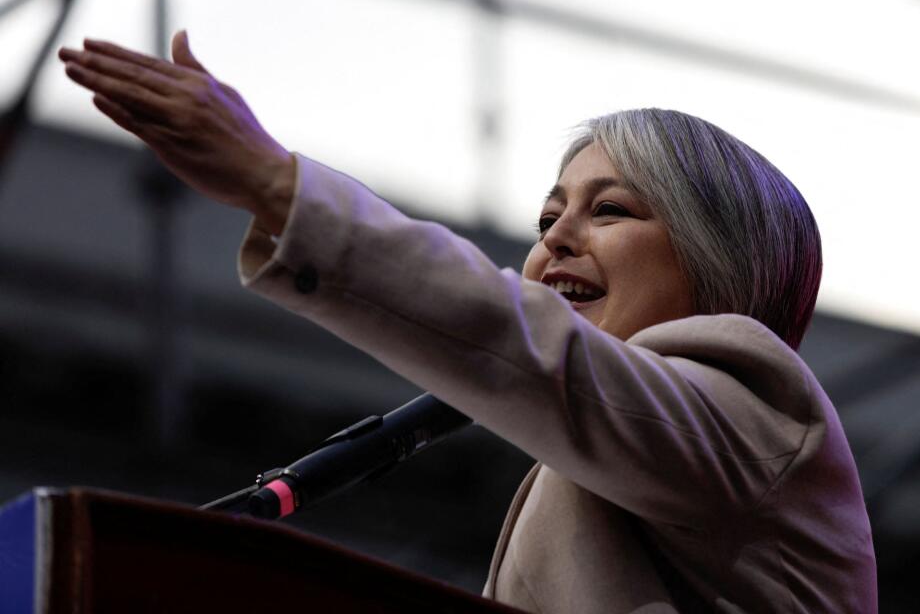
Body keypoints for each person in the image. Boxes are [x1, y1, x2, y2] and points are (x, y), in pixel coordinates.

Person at [58, 32, 877, 613]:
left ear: (715, 258)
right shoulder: (611, 468)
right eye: (548, 217)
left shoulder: (756, 415)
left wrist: (279, 186)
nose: (555, 237)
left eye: (613, 211)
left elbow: (520, 345)